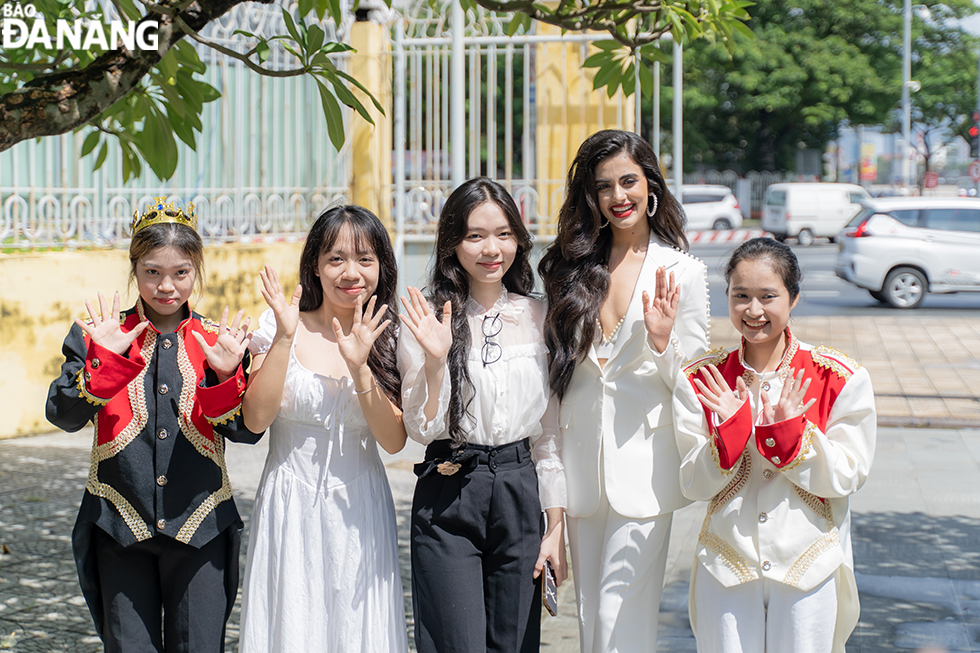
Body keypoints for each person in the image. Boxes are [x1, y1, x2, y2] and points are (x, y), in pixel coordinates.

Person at [45, 198, 260, 652]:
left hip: (200, 525)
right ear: (133, 269)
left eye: (181, 272)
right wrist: (102, 364)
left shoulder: (217, 341)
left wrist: (225, 375)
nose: (167, 286)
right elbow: (62, 416)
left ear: (196, 271)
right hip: (118, 526)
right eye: (152, 272)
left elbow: (247, 431)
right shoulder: (97, 335)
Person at [537, 129, 710, 653]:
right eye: (604, 186)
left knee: (619, 615)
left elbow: (699, 383)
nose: (619, 196)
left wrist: (661, 344)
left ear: (650, 185)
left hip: (646, 473)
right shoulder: (569, 270)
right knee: (592, 616)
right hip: (580, 474)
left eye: (629, 181)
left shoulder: (683, 272)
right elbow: (555, 381)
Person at [673, 237, 876, 652]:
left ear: (794, 297)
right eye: (740, 296)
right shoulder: (701, 379)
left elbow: (848, 474)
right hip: (726, 561)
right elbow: (692, 484)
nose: (753, 310)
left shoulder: (839, 377)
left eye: (768, 296)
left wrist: (792, 436)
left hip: (808, 565)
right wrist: (728, 433)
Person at [397, 176, 567, 653]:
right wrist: (435, 361)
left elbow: (549, 434)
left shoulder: (540, 315)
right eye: (475, 235)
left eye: (504, 233)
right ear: (452, 243)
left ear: (519, 238)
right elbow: (423, 429)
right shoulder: (427, 316)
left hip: (519, 487)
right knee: (457, 642)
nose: (492, 248)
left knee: (514, 643)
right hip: (451, 489)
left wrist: (555, 527)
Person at [238, 206, 409, 652]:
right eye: (336, 258)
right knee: (293, 621)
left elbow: (393, 441)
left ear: (382, 266)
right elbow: (256, 418)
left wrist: (360, 369)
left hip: (361, 505)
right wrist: (283, 338)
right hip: (289, 503)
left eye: (365, 259)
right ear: (315, 263)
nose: (351, 272)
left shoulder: (388, 336)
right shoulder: (279, 324)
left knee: (357, 630)